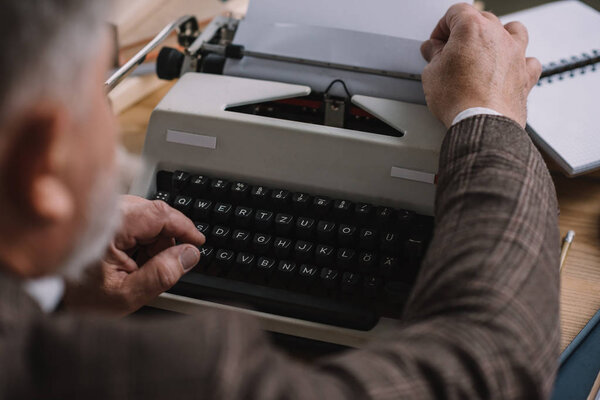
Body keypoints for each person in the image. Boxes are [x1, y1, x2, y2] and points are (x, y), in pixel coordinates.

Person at [0, 1, 559, 399]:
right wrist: (489, 114)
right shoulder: (172, 373)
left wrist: (53, 255)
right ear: (40, 159)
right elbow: (493, 361)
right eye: (97, 85)